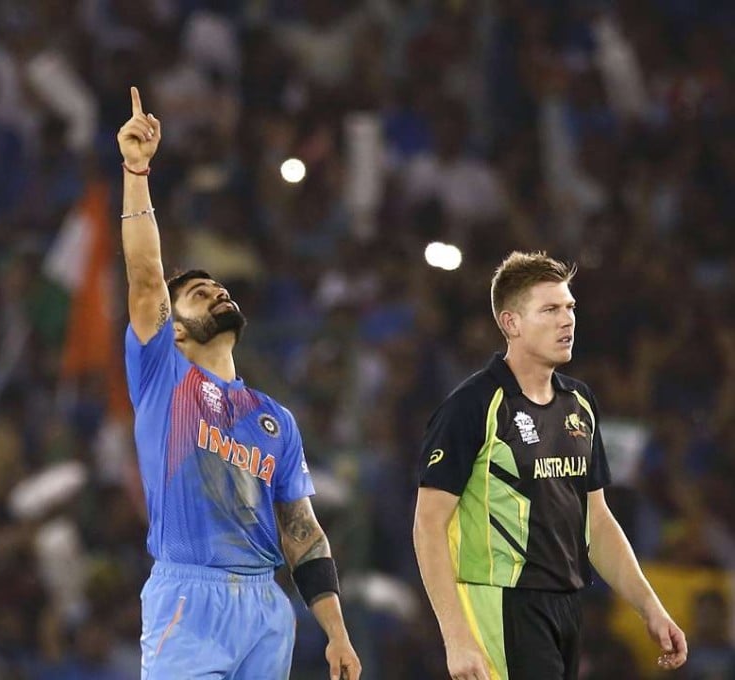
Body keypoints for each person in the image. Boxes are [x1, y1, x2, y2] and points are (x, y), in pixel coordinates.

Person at [116, 86, 362, 680]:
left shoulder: (274, 419)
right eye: (199, 294)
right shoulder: (163, 375)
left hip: (266, 606)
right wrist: (137, 169)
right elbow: (148, 278)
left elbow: (302, 533)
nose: (218, 292)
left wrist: (336, 633)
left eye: (219, 288)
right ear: (173, 330)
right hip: (188, 598)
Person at [413, 251, 687, 680]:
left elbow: (596, 520)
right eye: (550, 309)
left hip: (566, 604)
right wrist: (456, 636)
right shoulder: (473, 406)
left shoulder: (579, 403)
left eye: (569, 308)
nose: (567, 320)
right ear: (511, 323)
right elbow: (428, 525)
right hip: (500, 604)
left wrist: (650, 607)